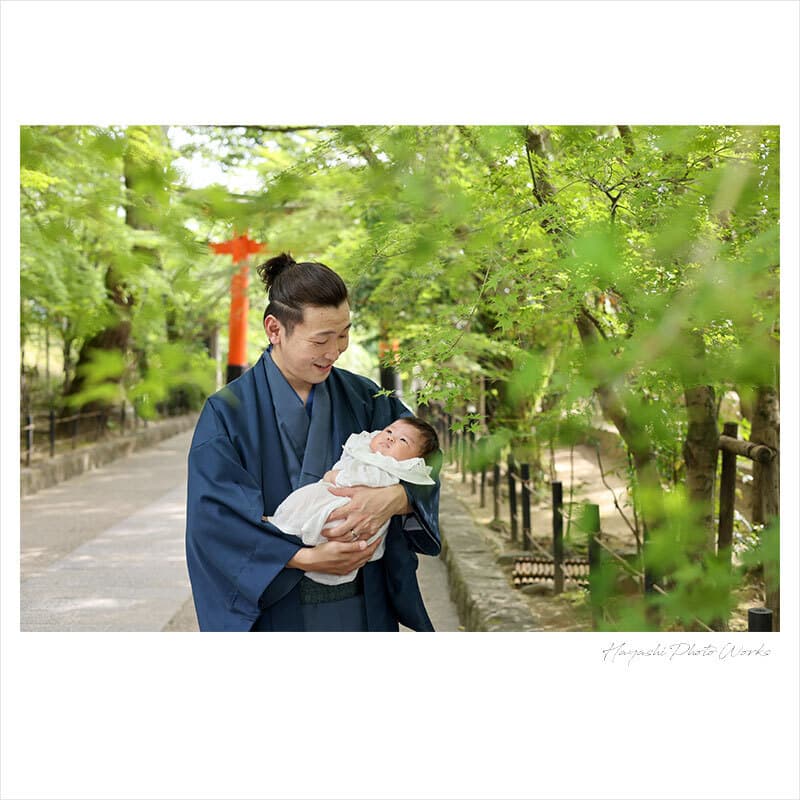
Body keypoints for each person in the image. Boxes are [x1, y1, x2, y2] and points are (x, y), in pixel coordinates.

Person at [185, 252, 442, 631]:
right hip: (279, 608)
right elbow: (214, 520)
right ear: (275, 330)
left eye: (343, 334)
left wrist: (397, 498)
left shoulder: (364, 396)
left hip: (363, 604)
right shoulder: (227, 413)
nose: (335, 350)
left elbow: (427, 457)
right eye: (321, 339)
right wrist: (306, 558)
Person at [267, 417, 439, 586]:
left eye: (403, 440)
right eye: (388, 431)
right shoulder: (368, 451)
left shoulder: (387, 468)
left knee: (312, 506)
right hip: (335, 511)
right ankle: (285, 529)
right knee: (307, 501)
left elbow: (365, 478)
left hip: (346, 514)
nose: (390, 437)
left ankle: (284, 526)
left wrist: (400, 496)